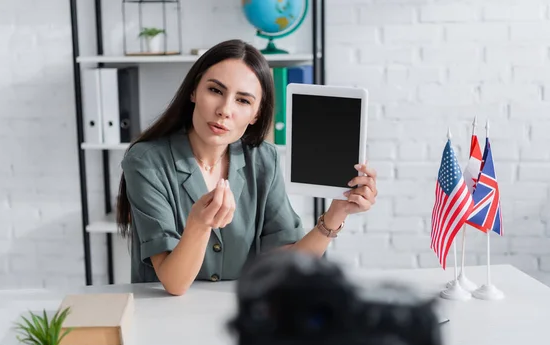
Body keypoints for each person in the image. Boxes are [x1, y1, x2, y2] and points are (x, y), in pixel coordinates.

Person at [116, 39, 378, 296]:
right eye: (215, 90)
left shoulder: (264, 159)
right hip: (163, 316)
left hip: (239, 311)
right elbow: (175, 283)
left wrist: (336, 213)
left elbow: (287, 267)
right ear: (193, 91)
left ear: (256, 114)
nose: (224, 110)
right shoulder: (145, 160)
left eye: (243, 100)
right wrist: (198, 224)